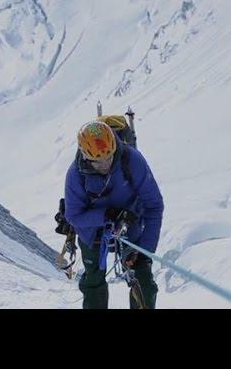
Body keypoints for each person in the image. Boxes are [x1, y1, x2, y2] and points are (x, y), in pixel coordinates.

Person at [64, 120, 164, 309]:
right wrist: (106, 215)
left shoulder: (132, 160)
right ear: (85, 155)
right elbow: (74, 216)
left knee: (143, 280)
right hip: (92, 229)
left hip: (130, 220)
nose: (105, 165)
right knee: (93, 280)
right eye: (98, 161)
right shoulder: (75, 175)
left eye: (109, 157)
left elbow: (154, 205)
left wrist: (144, 251)